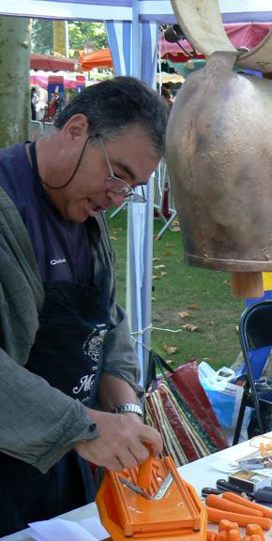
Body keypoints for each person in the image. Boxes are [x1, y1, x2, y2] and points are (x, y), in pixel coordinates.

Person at [0, 76, 167, 535]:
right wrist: (82, 426)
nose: (116, 198)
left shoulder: (86, 218)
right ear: (76, 130)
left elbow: (105, 325)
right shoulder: (6, 207)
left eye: (131, 189)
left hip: (67, 464)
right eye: (118, 175)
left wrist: (127, 413)